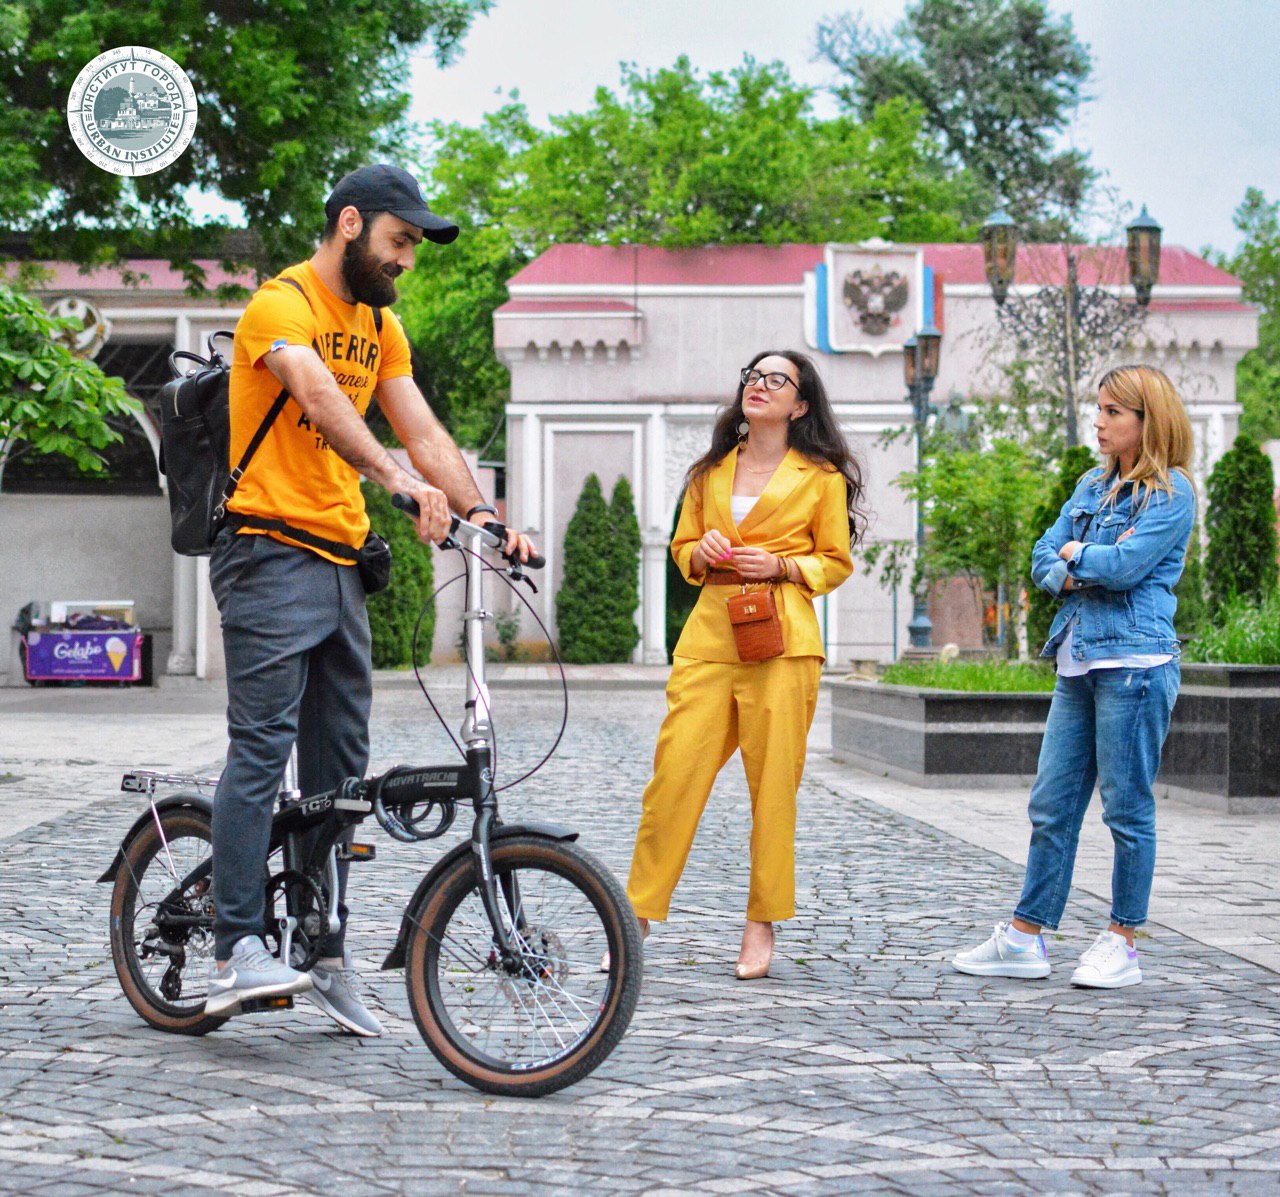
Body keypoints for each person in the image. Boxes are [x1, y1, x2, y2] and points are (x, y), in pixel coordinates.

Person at [206, 164, 536, 1031]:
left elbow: (421, 427)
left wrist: (484, 514)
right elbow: (315, 396)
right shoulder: (281, 305)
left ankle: (324, 950)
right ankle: (235, 942)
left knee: (340, 775)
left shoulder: (380, 326)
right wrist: (391, 478)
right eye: (399, 241)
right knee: (262, 744)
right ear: (350, 224)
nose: (407, 261)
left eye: (415, 248)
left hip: (341, 559)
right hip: (267, 548)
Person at [953, 364, 1195, 989]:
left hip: (1136, 667)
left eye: (1113, 412)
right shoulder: (1091, 484)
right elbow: (1042, 557)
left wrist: (1078, 558)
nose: (1099, 421)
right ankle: (1025, 938)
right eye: (1099, 409)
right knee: (1051, 807)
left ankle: (1123, 941)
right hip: (1077, 662)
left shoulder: (1170, 494)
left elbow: (1125, 567)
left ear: (1148, 420)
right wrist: (1079, 562)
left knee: (1126, 809)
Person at [622, 350, 861, 980]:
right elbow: (681, 552)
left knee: (772, 790)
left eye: (777, 379)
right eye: (754, 376)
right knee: (672, 779)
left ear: (800, 405)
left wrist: (783, 566)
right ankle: (634, 917)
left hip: (782, 642)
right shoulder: (708, 472)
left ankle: (761, 924)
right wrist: (698, 552)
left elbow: (835, 561)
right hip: (708, 638)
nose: (760, 385)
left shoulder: (822, 479)